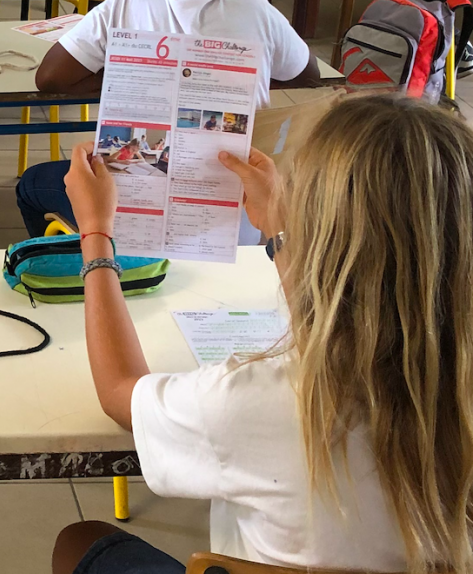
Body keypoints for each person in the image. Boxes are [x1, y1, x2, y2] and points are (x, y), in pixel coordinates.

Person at [53, 94, 473, 574]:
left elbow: (119, 393)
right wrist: (278, 229)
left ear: (313, 238)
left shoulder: (257, 400)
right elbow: (355, 304)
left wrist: (95, 233)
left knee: (79, 541)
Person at [17, 0, 320, 238]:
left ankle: (74, 261)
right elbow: (308, 75)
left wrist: (134, 72)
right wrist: (241, 76)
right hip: (243, 223)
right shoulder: (257, 11)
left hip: (124, 216)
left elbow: (50, 78)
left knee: (31, 185)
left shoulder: (129, 2)